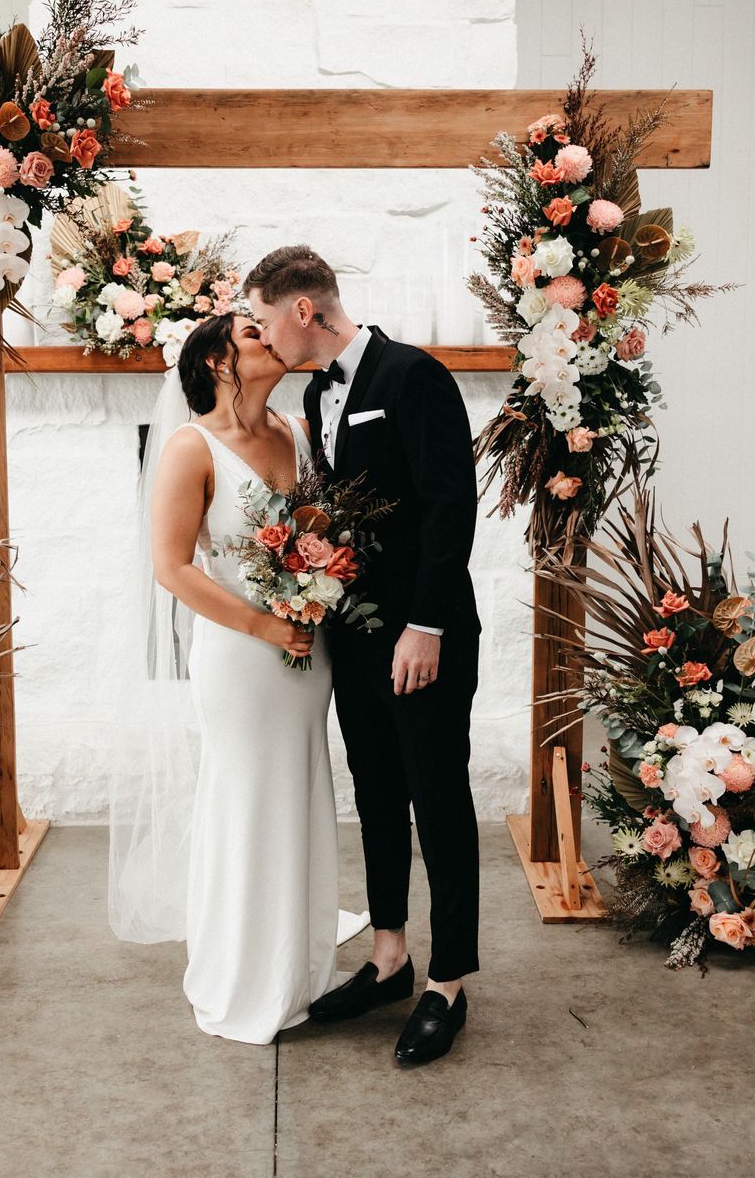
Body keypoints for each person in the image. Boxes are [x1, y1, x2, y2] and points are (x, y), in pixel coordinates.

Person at [247, 245, 483, 1067]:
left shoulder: (414, 376)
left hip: (425, 636)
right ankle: (389, 956)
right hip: (355, 636)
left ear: (304, 309)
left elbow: (453, 509)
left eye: (265, 317)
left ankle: (448, 982)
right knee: (378, 795)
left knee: (438, 798)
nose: (262, 333)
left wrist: (427, 626)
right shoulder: (317, 392)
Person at [137, 313, 365, 1044]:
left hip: (309, 653)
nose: (271, 337)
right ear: (216, 361)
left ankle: (295, 965)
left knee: (298, 792)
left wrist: (321, 589)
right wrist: (268, 625)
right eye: (251, 333)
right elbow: (172, 568)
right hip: (241, 657)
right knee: (243, 796)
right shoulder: (189, 447)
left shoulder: (298, 434)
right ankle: (242, 972)